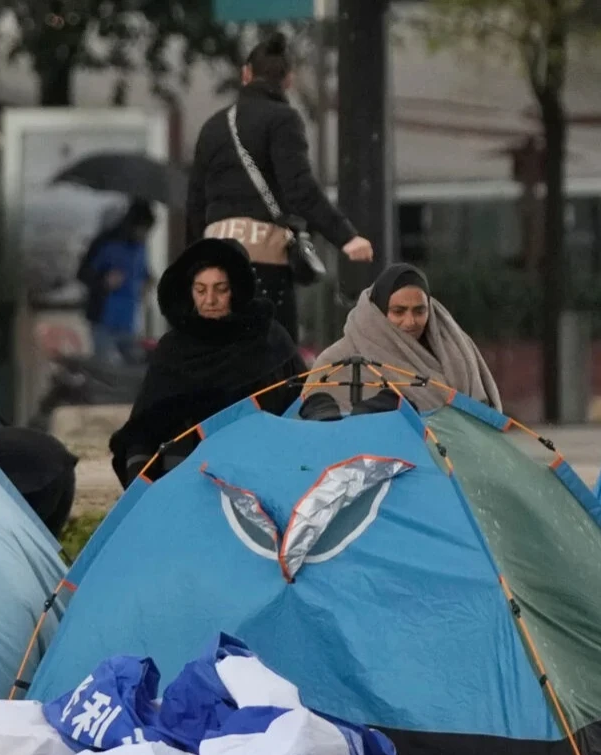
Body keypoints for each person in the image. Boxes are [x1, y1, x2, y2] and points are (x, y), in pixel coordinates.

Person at [185, 32, 373, 341]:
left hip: (214, 256)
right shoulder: (283, 120)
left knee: (219, 353)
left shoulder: (213, 126)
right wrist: (346, 237)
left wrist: (194, 265)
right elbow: (299, 188)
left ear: (246, 75)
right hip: (263, 258)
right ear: (288, 80)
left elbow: (195, 201)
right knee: (274, 357)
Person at [109, 238, 305, 487]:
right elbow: (144, 428)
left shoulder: (270, 340)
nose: (209, 300)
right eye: (200, 290)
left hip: (262, 474)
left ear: (237, 289)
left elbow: (300, 410)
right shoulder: (174, 349)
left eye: (220, 289)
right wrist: (141, 485)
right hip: (183, 480)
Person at [306, 263, 501, 417]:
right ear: (380, 311)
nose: (410, 322)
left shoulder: (454, 351)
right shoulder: (336, 362)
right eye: (398, 312)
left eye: (419, 311)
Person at [78, 201, 156, 365]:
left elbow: (144, 272)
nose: (145, 236)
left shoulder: (140, 247)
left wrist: (149, 280)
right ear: (132, 225)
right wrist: (104, 280)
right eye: (142, 230)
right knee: (106, 372)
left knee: (137, 367)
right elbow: (82, 274)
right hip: (103, 321)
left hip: (129, 322)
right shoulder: (105, 243)